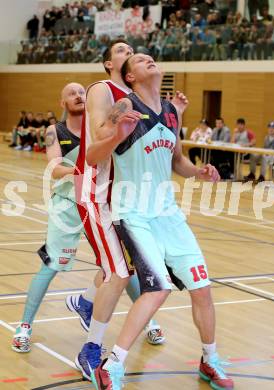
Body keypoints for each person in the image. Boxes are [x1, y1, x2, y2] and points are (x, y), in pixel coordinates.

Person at [87, 53, 234, 390]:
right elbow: (94, 154)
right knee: (158, 289)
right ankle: (112, 365)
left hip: (169, 215)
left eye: (151, 57)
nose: (148, 60)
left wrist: (198, 171)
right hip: (134, 214)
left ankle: (209, 359)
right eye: (140, 60)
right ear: (131, 76)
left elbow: (177, 159)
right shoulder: (124, 106)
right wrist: (115, 136)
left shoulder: (171, 113)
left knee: (202, 288)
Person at [70, 39, 165, 381]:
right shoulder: (102, 88)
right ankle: (90, 348)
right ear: (110, 64)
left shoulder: (141, 100)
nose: (130, 55)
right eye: (123, 51)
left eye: (134, 52)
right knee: (120, 272)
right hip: (96, 190)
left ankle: (85, 301)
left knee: (117, 265)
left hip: (123, 196)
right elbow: (98, 134)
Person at [11, 83, 92, 353]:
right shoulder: (53, 131)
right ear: (62, 102)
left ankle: (149, 321)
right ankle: (24, 326)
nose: (79, 96)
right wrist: (75, 172)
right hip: (67, 205)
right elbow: (55, 166)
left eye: (82, 92)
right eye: (72, 93)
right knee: (50, 265)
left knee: (121, 267)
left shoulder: (99, 127)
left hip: (99, 205)